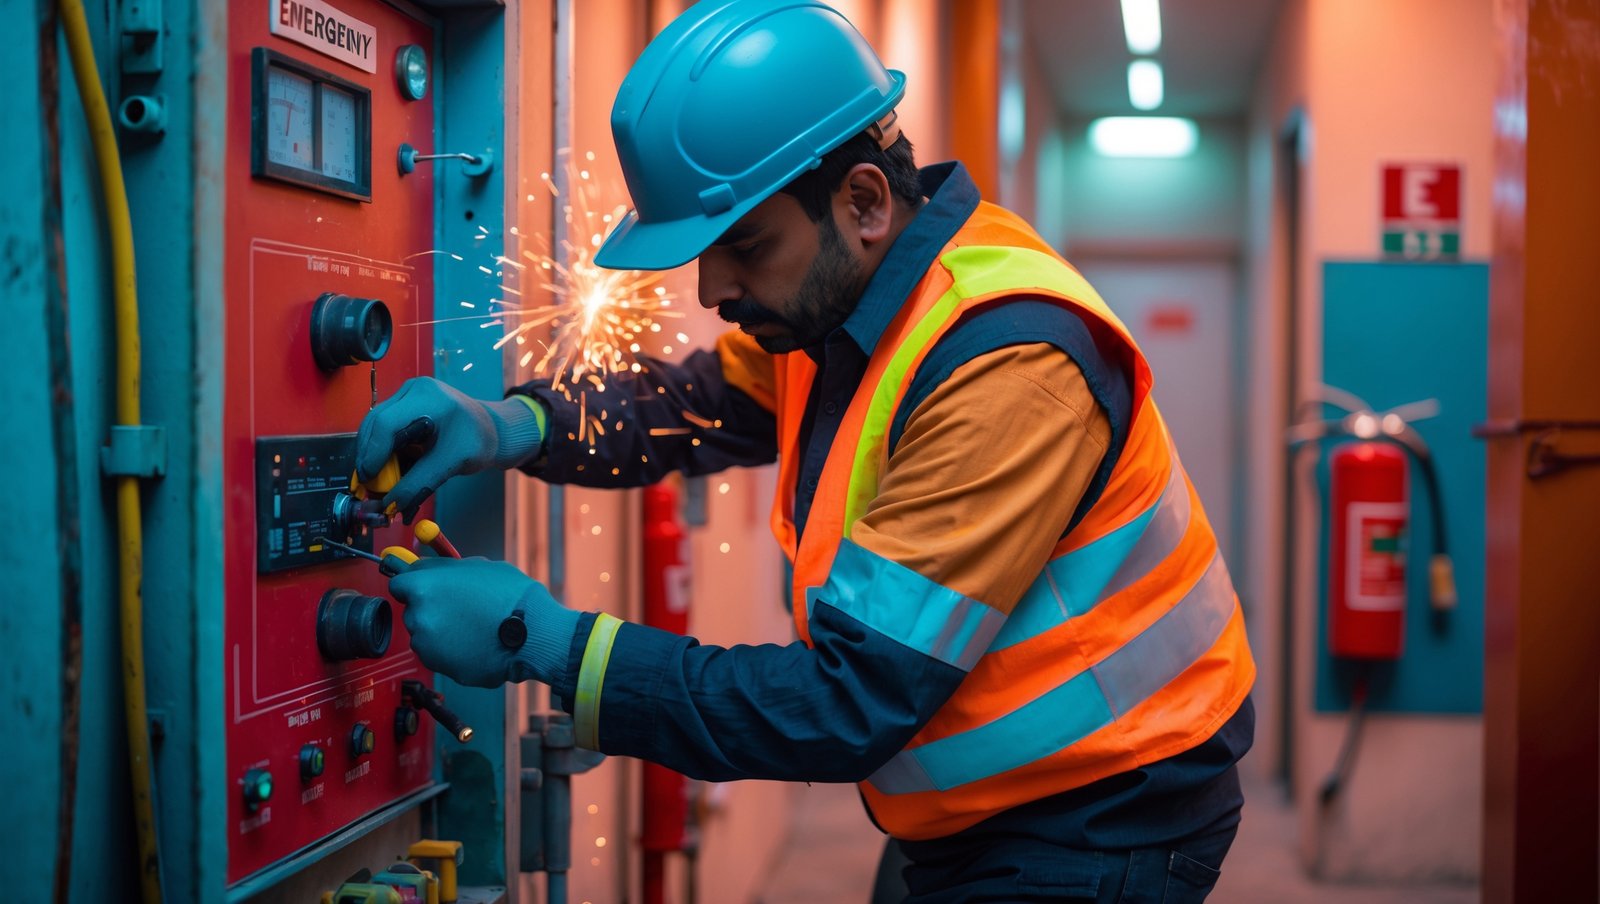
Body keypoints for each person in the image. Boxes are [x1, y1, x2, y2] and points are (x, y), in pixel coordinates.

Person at [356, 1, 1255, 900]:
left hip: (1100, 815)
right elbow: (694, 403)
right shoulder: (844, 309)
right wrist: (509, 425)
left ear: (862, 200)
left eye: (743, 246)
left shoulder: (1007, 368)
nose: (713, 288)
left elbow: (846, 701)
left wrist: (537, 639)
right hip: (966, 801)